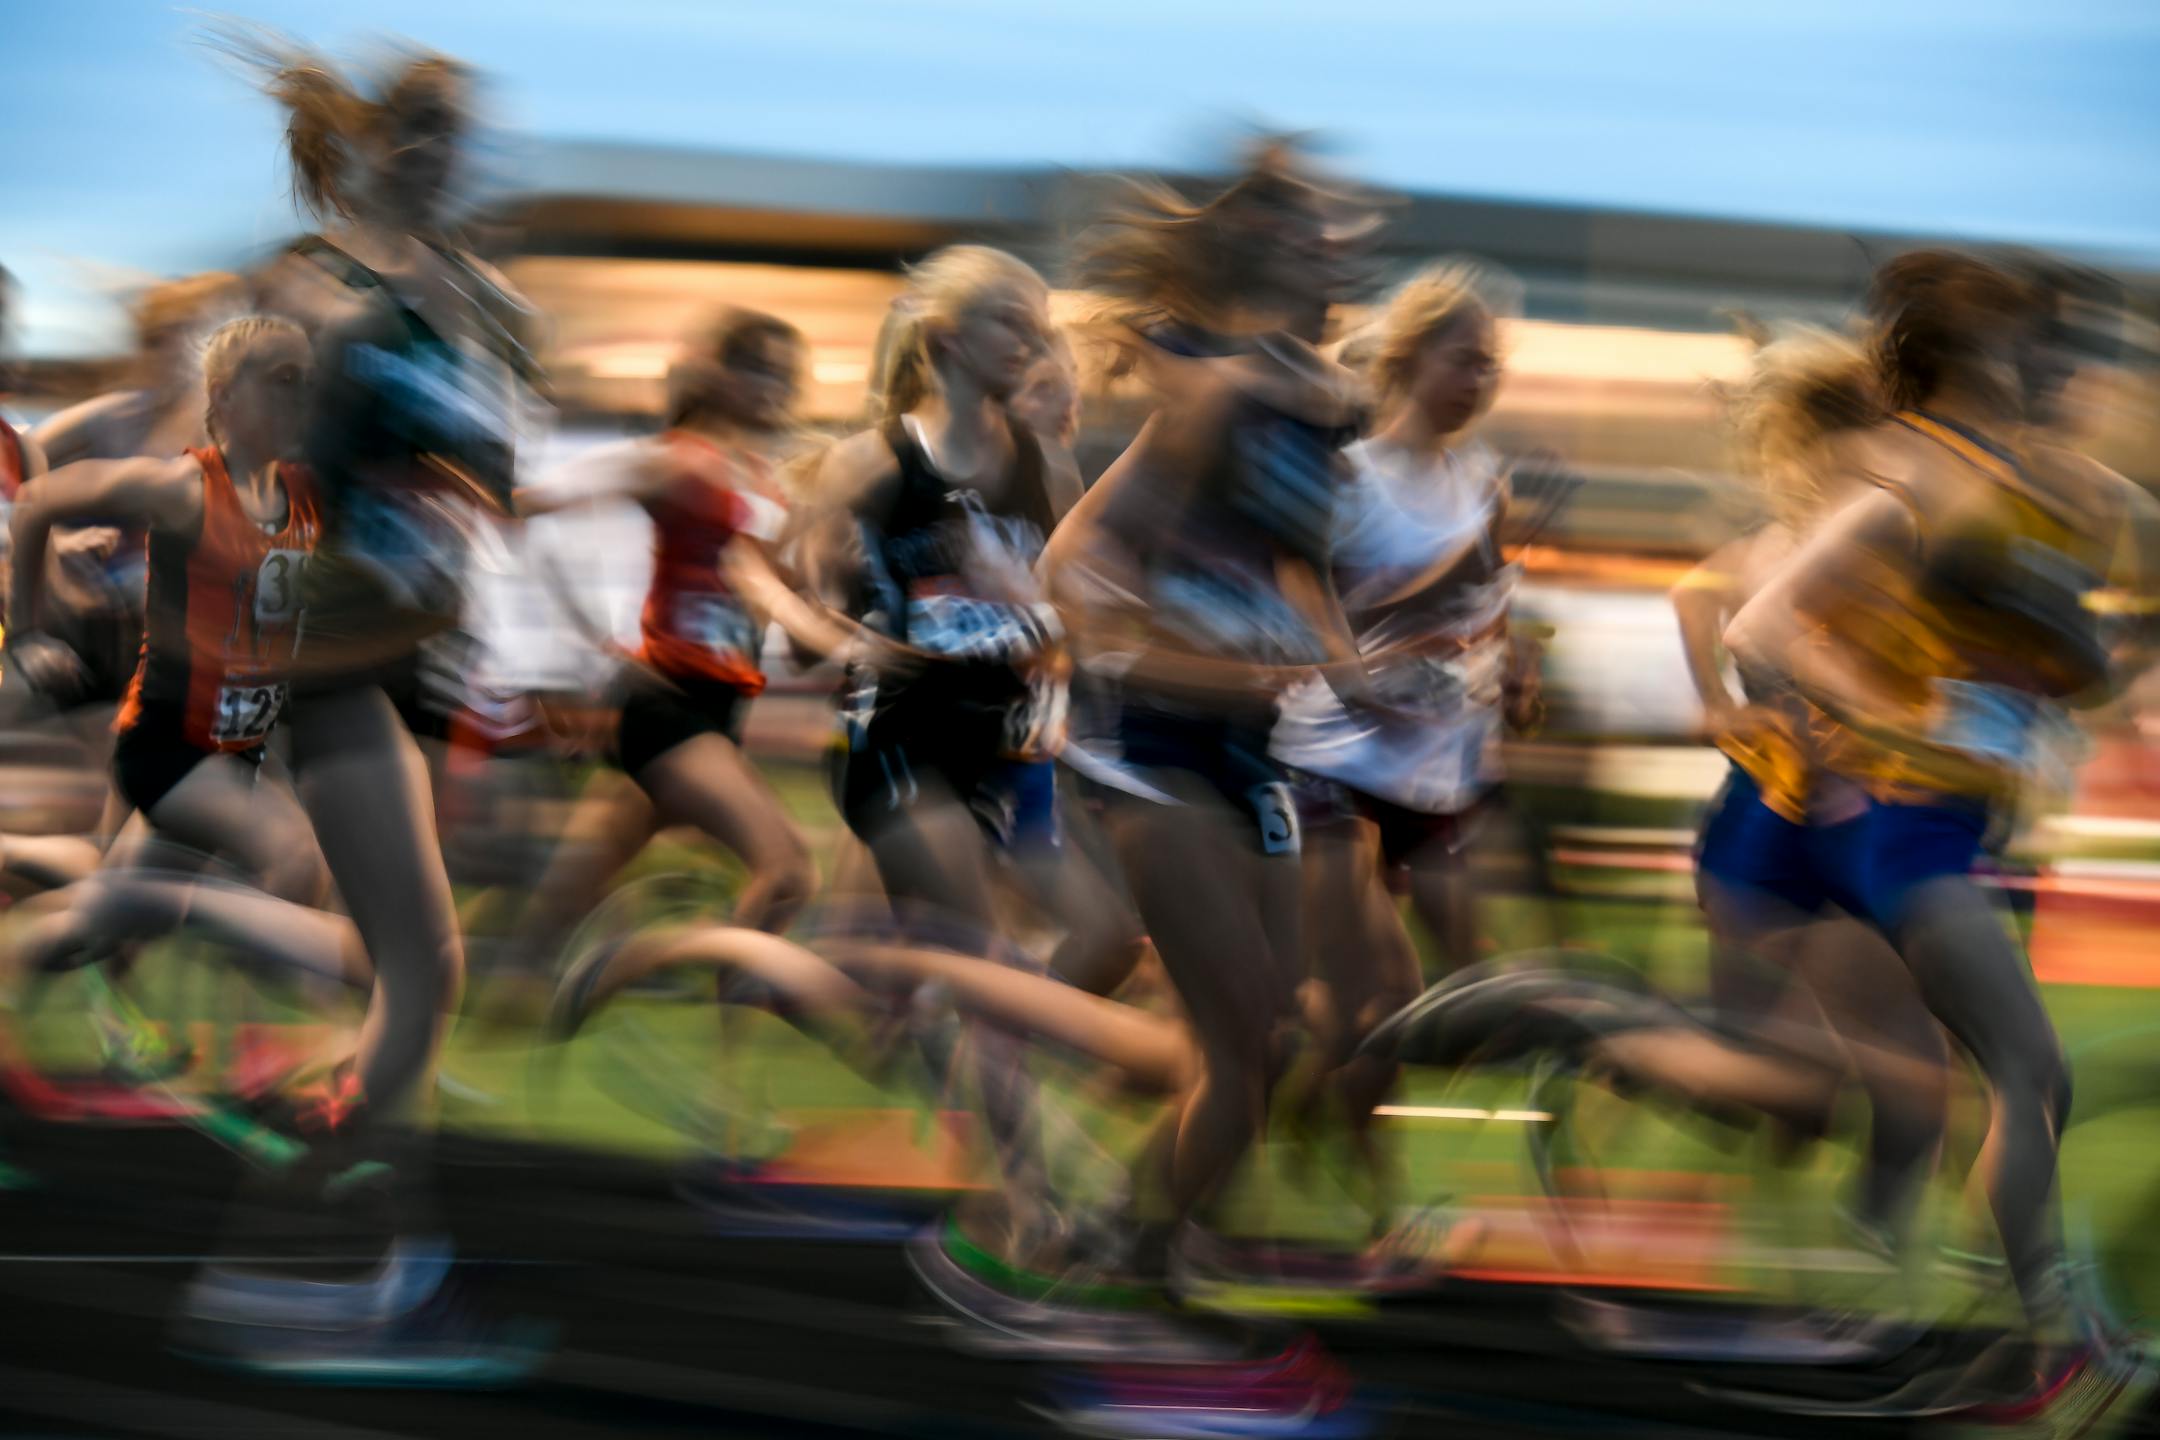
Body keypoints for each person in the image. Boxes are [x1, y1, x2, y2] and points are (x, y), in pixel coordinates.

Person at [1728, 249, 2144, 1413]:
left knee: (2002, 1088)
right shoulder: (1908, 477)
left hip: (1967, 827)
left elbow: (2066, 661)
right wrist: (1887, 706)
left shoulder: (2027, 485)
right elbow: (1763, 624)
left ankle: (1967, 1313)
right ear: (1975, 351)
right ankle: (2045, 1341)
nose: (2061, 367)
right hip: (1905, 831)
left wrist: (2049, 677)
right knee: (2030, 1073)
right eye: (2035, 344)